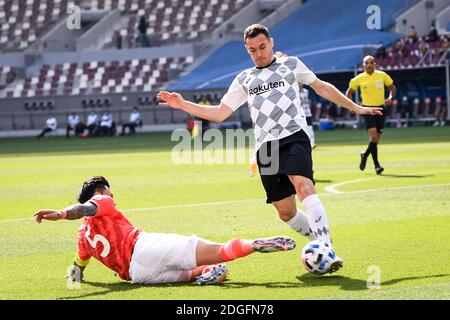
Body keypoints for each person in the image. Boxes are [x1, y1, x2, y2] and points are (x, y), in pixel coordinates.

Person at [158, 24, 384, 274]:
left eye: (262, 47)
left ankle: (325, 247)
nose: (259, 53)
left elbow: (322, 87)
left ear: (272, 43)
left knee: (304, 186)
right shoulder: (244, 79)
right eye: (252, 50)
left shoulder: (292, 65)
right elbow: (220, 113)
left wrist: (358, 108)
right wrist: (183, 105)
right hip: (266, 147)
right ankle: (317, 243)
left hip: (294, 136)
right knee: (285, 211)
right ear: (247, 50)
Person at [33, 176, 296, 285]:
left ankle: (206, 274)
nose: (112, 194)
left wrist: (74, 283)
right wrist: (60, 214)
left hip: (137, 275)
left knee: (190, 274)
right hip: (143, 247)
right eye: (109, 190)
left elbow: (77, 270)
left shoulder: (82, 237)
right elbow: (82, 210)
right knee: (217, 251)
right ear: (101, 191)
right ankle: (253, 245)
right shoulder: (102, 201)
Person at [346, 55, 397, 175]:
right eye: (366, 63)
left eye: (371, 62)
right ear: (363, 65)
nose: (369, 64)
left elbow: (392, 88)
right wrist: (352, 106)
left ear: (375, 64)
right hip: (367, 110)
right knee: (374, 137)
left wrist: (390, 97)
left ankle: (365, 154)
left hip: (381, 109)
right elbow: (349, 93)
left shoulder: (382, 75)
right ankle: (377, 166)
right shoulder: (358, 78)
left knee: (376, 140)